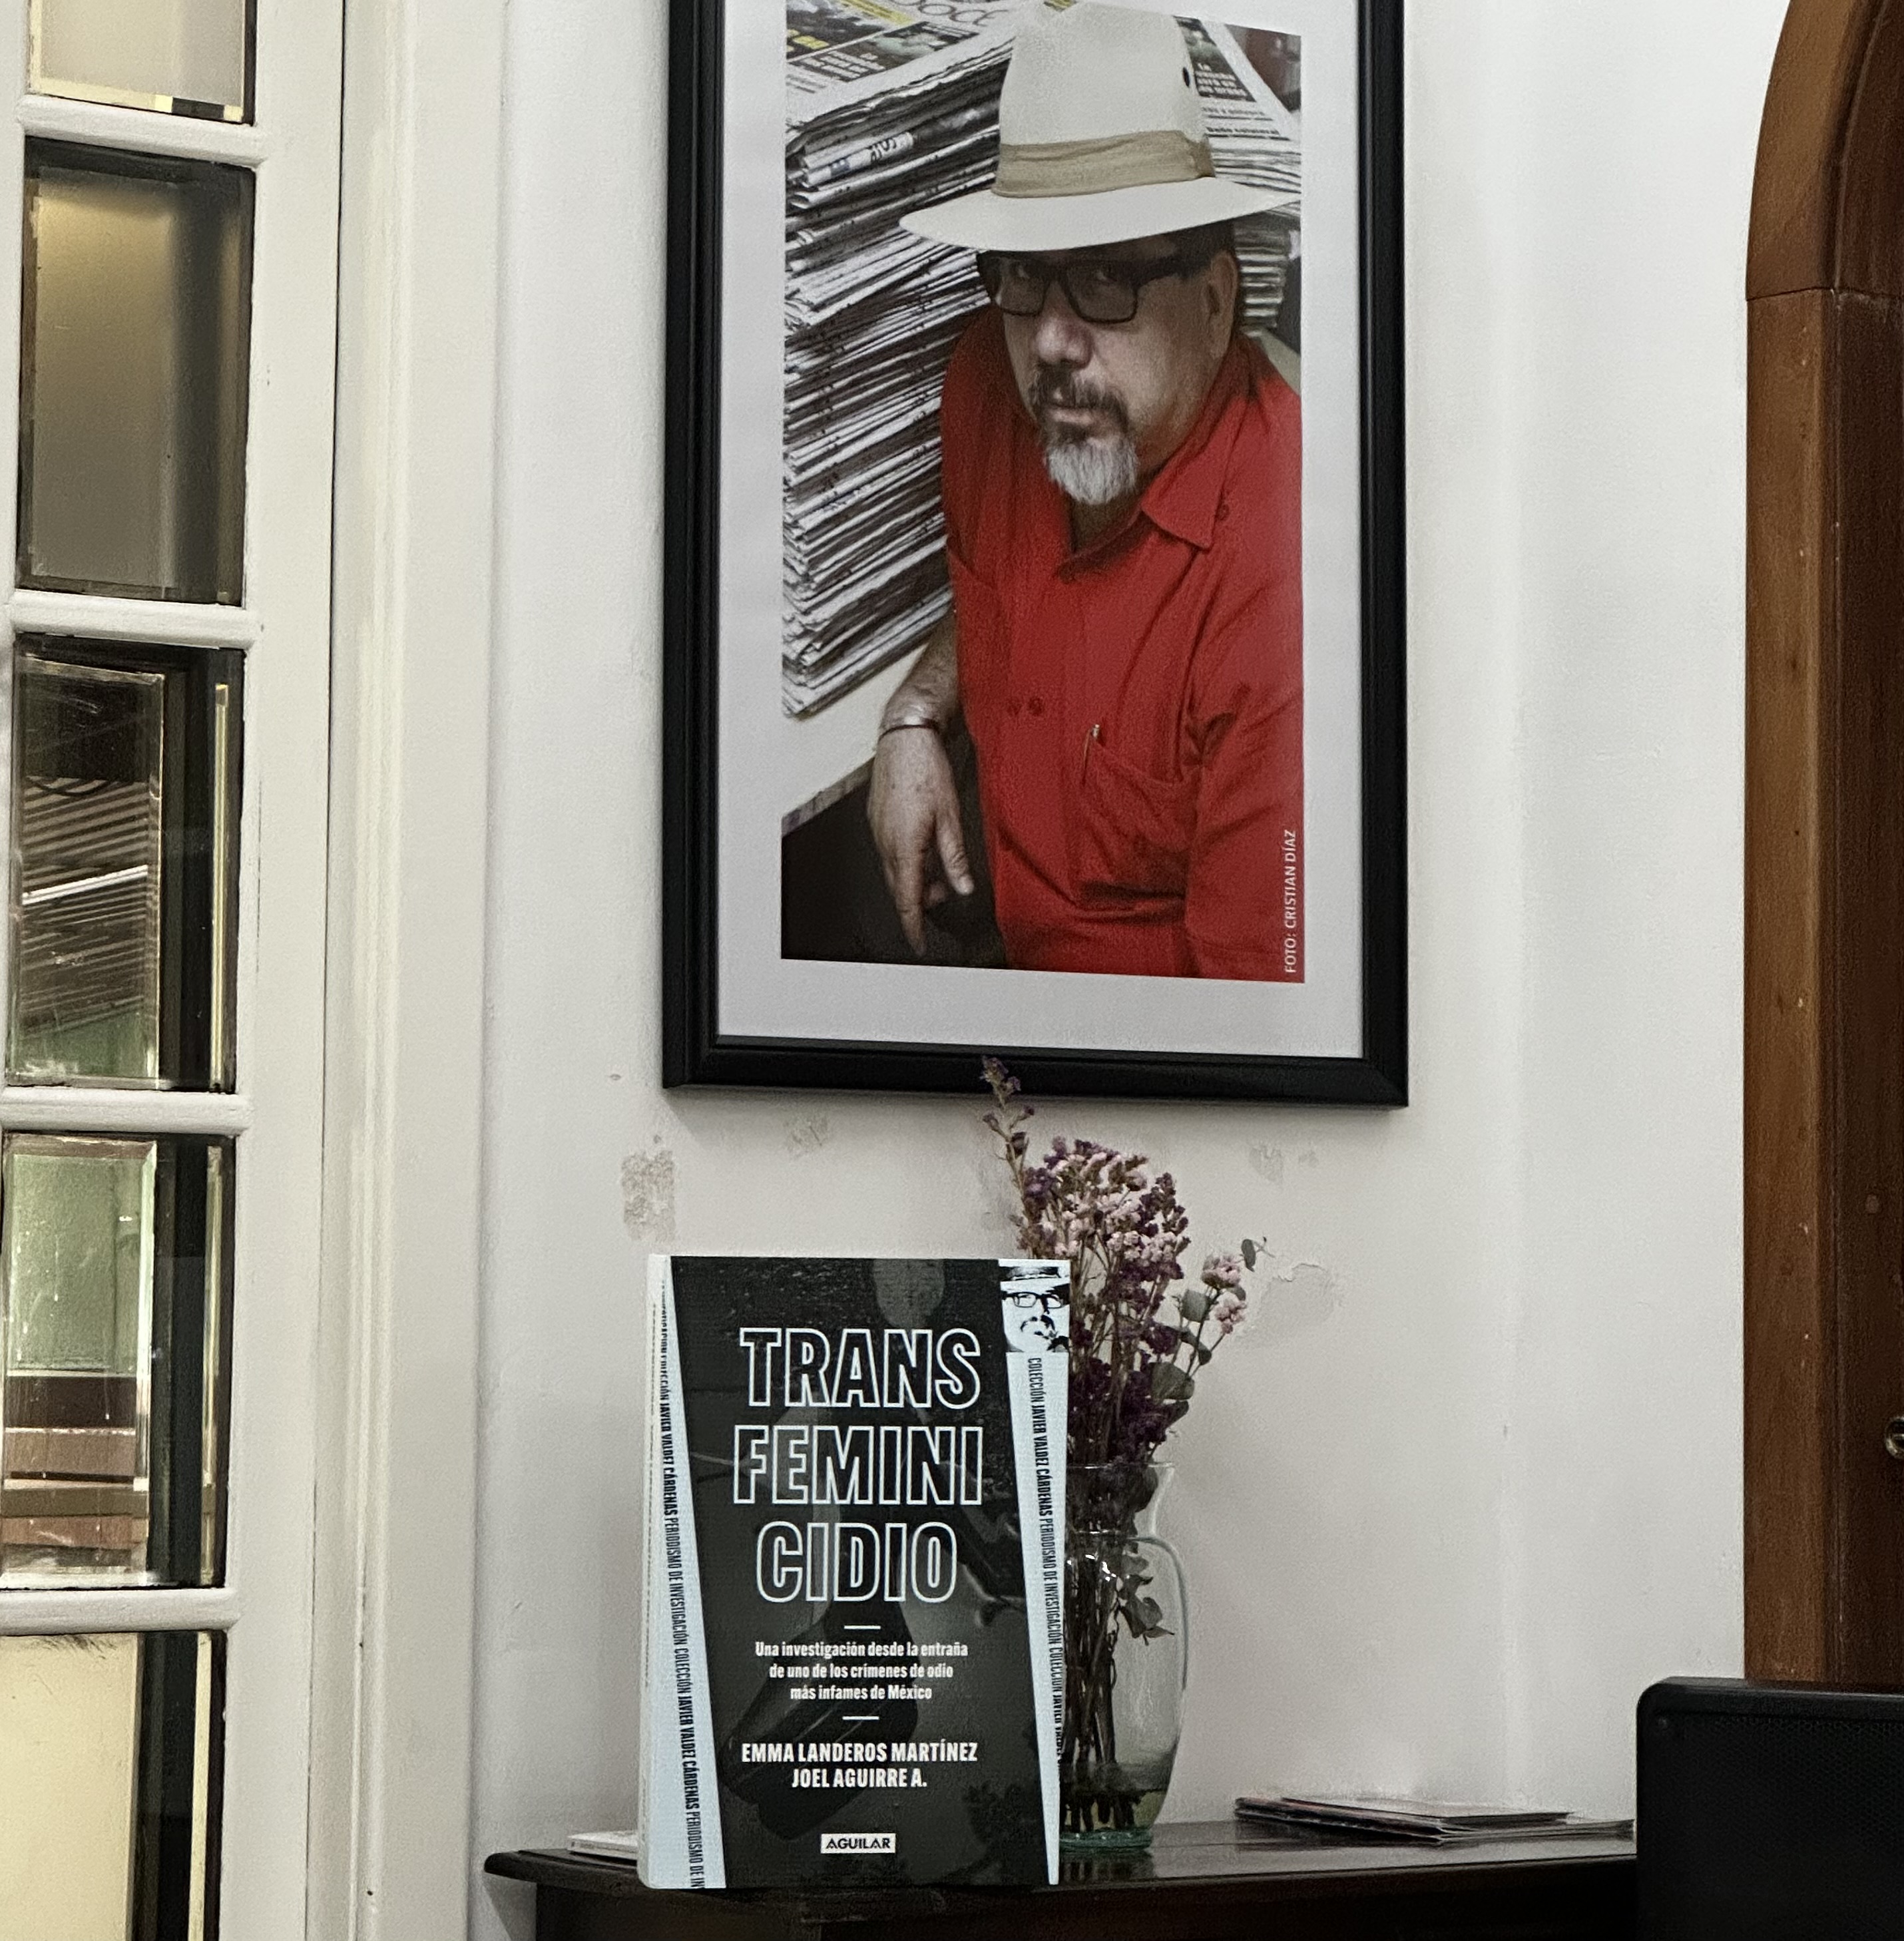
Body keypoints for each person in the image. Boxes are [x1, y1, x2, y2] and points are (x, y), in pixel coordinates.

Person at [869, 3, 1304, 983]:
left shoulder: (1284, 575)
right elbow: (1000, 599)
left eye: (1106, 279)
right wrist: (914, 714)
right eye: (1025, 274)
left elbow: (1252, 1030)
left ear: (1215, 302)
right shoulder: (988, 386)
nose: (1053, 342)